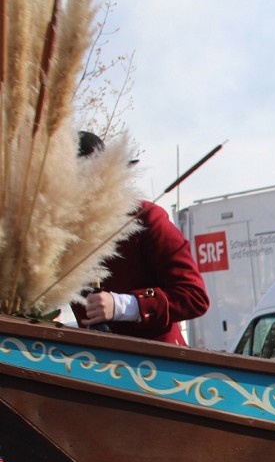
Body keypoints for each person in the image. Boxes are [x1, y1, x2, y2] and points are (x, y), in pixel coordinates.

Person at [71, 131, 209, 345]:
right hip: (95, 366)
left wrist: (122, 305)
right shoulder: (63, 234)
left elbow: (193, 297)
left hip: (159, 367)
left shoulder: (146, 218)